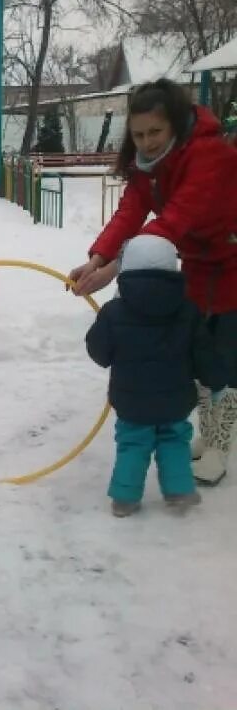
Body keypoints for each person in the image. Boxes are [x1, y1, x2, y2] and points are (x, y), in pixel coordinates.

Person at [68, 79, 237, 485]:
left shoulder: (209, 155)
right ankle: (207, 434)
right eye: (139, 134)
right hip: (198, 265)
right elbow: (130, 213)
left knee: (225, 358)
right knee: (196, 353)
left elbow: (175, 220)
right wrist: (96, 258)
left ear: (175, 124)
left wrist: (117, 267)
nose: (146, 142)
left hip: (233, 263)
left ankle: (218, 448)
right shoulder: (149, 167)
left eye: (154, 132)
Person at [85, 235, 226, 517]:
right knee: (174, 442)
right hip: (175, 401)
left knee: (133, 445)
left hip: (131, 401)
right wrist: (215, 380)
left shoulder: (114, 312)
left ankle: (125, 498)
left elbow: (99, 352)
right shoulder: (188, 311)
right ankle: (179, 492)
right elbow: (203, 353)